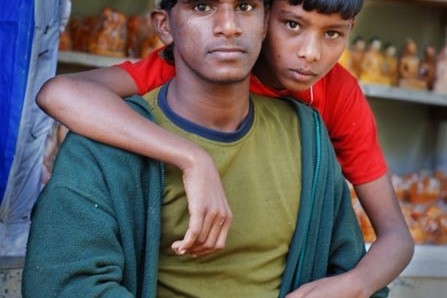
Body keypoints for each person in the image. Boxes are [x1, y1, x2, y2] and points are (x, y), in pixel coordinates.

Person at [35, 0, 414, 294]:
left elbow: (388, 239)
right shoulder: (169, 78)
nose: (229, 27)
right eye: (202, 6)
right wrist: (191, 157)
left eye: (245, 7)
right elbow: (60, 93)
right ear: (165, 27)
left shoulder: (319, 121)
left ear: (262, 20)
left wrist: (355, 285)